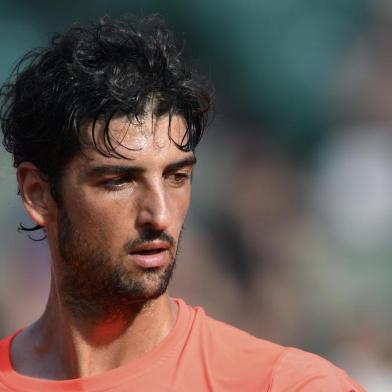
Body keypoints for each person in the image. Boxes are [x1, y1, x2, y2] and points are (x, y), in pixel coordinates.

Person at [0, 15, 365, 391]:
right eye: (119, 181)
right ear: (37, 195)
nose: (159, 215)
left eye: (177, 177)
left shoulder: (289, 385)